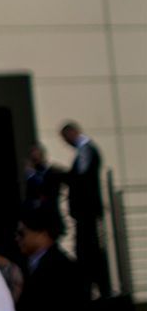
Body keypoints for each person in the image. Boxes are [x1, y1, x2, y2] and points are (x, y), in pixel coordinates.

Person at [58, 122, 110, 297]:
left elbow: (81, 177)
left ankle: (96, 286)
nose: (67, 143)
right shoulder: (85, 150)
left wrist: (64, 176)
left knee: (88, 249)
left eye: (66, 138)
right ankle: (96, 285)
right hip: (86, 209)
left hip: (86, 210)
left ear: (73, 132)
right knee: (89, 248)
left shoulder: (86, 149)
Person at [23, 144, 63, 209]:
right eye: (33, 159)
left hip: (49, 210)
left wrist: (31, 174)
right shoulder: (32, 174)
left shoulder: (52, 172)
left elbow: (46, 190)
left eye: (36, 159)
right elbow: (29, 196)